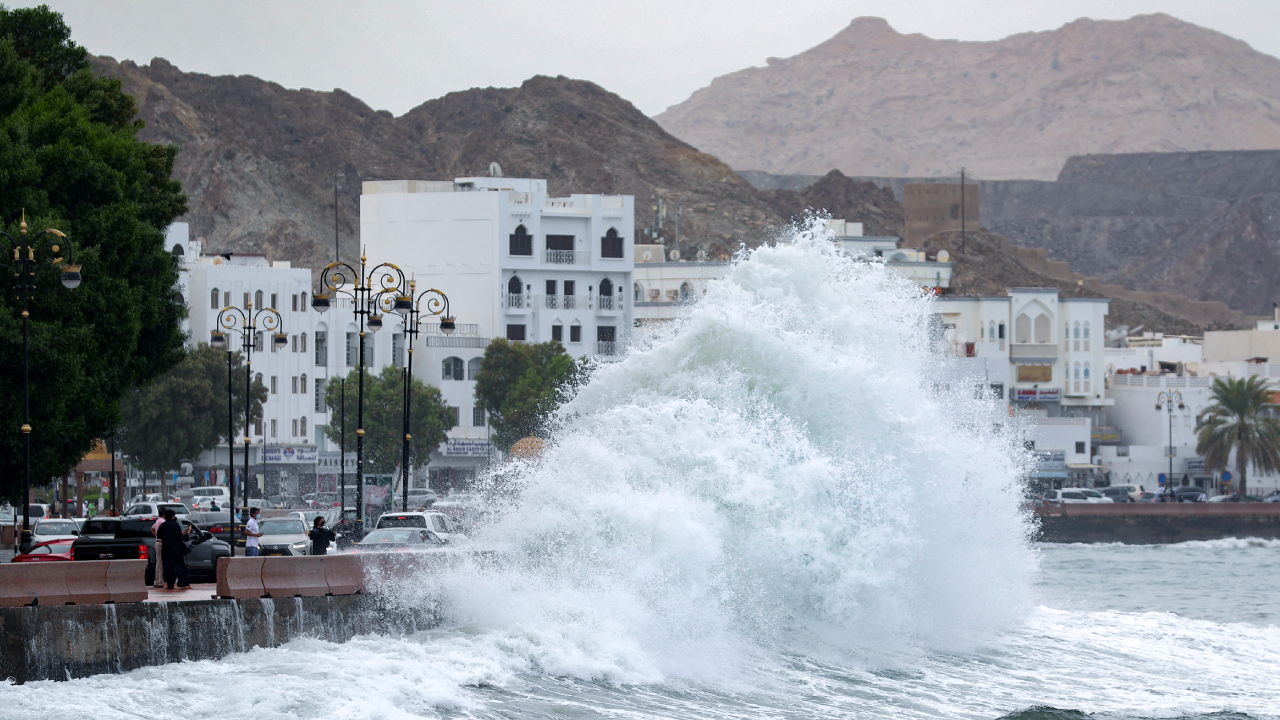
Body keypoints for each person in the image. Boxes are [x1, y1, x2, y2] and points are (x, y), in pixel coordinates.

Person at [154, 509, 192, 590]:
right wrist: (188, 532)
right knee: (175, 566)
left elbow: (159, 536)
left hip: (165, 548)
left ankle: (166, 584)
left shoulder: (163, 525)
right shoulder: (175, 525)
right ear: (172, 516)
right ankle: (175, 583)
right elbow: (180, 537)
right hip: (175, 548)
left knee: (166, 566)